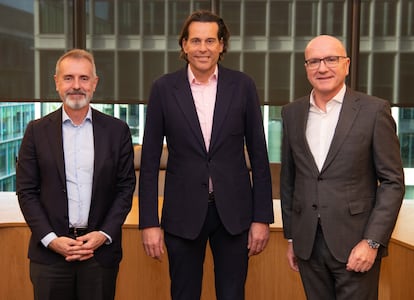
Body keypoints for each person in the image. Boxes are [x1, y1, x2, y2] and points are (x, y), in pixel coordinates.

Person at [138, 10, 274, 300]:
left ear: (222, 45)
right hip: (181, 213)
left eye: (211, 40)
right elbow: (148, 163)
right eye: (196, 40)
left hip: (234, 214)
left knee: (232, 294)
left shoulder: (243, 86)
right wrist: (149, 222)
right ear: (184, 45)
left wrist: (262, 218)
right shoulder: (163, 89)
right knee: (184, 294)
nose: (203, 48)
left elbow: (260, 158)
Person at [280, 34, 405, 299]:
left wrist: (372, 242)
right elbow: (290, 179)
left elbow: (392, 183)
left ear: (346, 65)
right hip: (307, 245)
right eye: (313, 61)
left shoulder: (373, 111)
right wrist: (292, 238)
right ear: (306, 68)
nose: (322, 67)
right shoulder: (292, 113)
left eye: (331, 59)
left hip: (356, 243)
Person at [16, 49, 136, 300]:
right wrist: (51, 239)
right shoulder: (36, 131)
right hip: (50, 255)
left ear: (94, 83)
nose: (76, 86)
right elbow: (26, 191)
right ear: (57, 83)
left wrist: (103, 235)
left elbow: (125, 188)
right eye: (68, 78)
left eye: (83, 78)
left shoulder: (117, 130)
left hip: (99, 255)